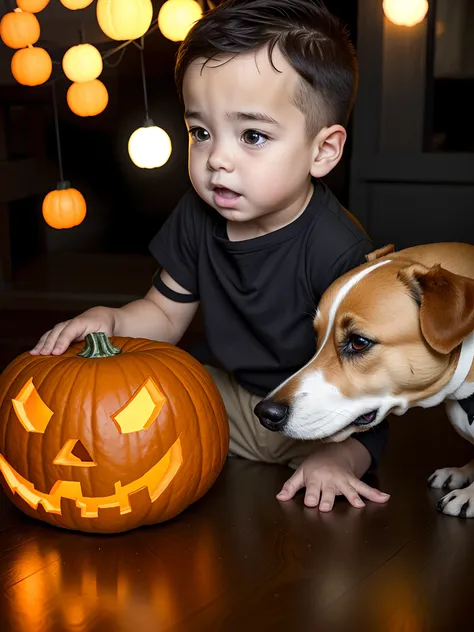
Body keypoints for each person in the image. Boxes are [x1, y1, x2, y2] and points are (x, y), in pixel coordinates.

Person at [31, 0, 390, 513]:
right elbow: (162, 314)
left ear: (322, 151)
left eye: (252, 136)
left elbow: (365, 373)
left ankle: (339, 460)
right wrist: (110, 318)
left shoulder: (338, 250)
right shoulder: (197, 216)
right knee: (154, 391)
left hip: (313, 411)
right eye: (201, 132)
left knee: (350, 440)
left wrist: (341, 451)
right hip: (228, 396)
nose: (218, 159)